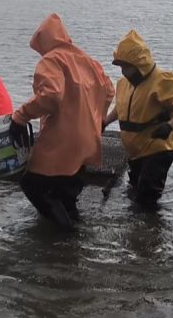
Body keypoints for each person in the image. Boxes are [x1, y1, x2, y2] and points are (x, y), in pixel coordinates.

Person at [9, 14, 115, 230]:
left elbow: (51, 96)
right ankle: (72, 248)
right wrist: (100, 119)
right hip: (88, 143)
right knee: (67, 195)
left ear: (43, 41)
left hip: (61, 142)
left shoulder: (51, 60)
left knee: (32, 184)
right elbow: (109, 90)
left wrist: (20, 116)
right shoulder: (90, 61)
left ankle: (66, 238)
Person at [103, 30, 173, 209]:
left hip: (159, 145)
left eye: (126, 66)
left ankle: (150, 225)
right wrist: (104, 122)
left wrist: (169, 126)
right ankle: (142, 226)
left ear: (139, 64)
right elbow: (121, 108)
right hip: (137, 148)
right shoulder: (124, 83)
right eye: (121, 66)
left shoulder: (162, 80)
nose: (123, 71)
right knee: (135, 186)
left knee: (147, 195)